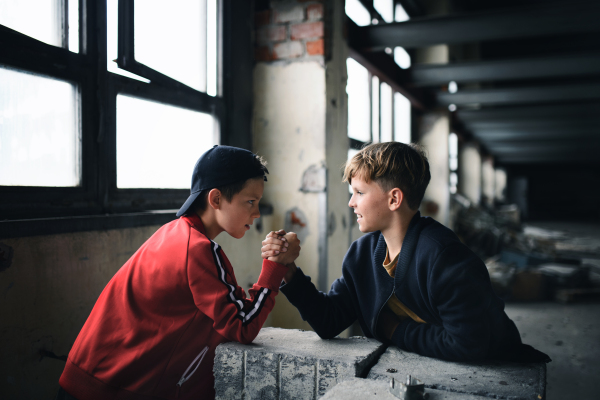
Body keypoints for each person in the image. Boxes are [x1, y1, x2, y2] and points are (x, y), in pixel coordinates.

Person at [261, 142, 549, 363]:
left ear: (394, 198)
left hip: (494, 369)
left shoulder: (445, 257)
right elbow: (328, 321)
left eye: (359, 192)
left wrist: (394, 331)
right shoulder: (362, 254)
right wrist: (290, 271)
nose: (351, 203)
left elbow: (469, 344)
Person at [57, 145, 300, 400]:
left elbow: (232, 305)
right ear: (216, 199)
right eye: (250, 201)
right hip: (106, 390)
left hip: (86, 380)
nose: (257, 212)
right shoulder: (198, 250)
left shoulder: (175, 233)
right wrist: (275, 265)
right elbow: (243, 326)